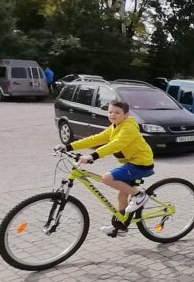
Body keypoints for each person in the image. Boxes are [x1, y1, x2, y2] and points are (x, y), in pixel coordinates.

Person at [55, 101, 154, 237]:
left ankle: (139, 195)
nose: (112, 115)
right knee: (122, 194)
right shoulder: (114, 126)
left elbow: (116, 144)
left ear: (126, 114)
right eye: (110, 112)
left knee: (107, 178)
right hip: (131, 163)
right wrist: (69, 147)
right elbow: (96, 139)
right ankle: (122, 226)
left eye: (117, 112)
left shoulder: (129, 127)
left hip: (141, 163)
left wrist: (93, 155)